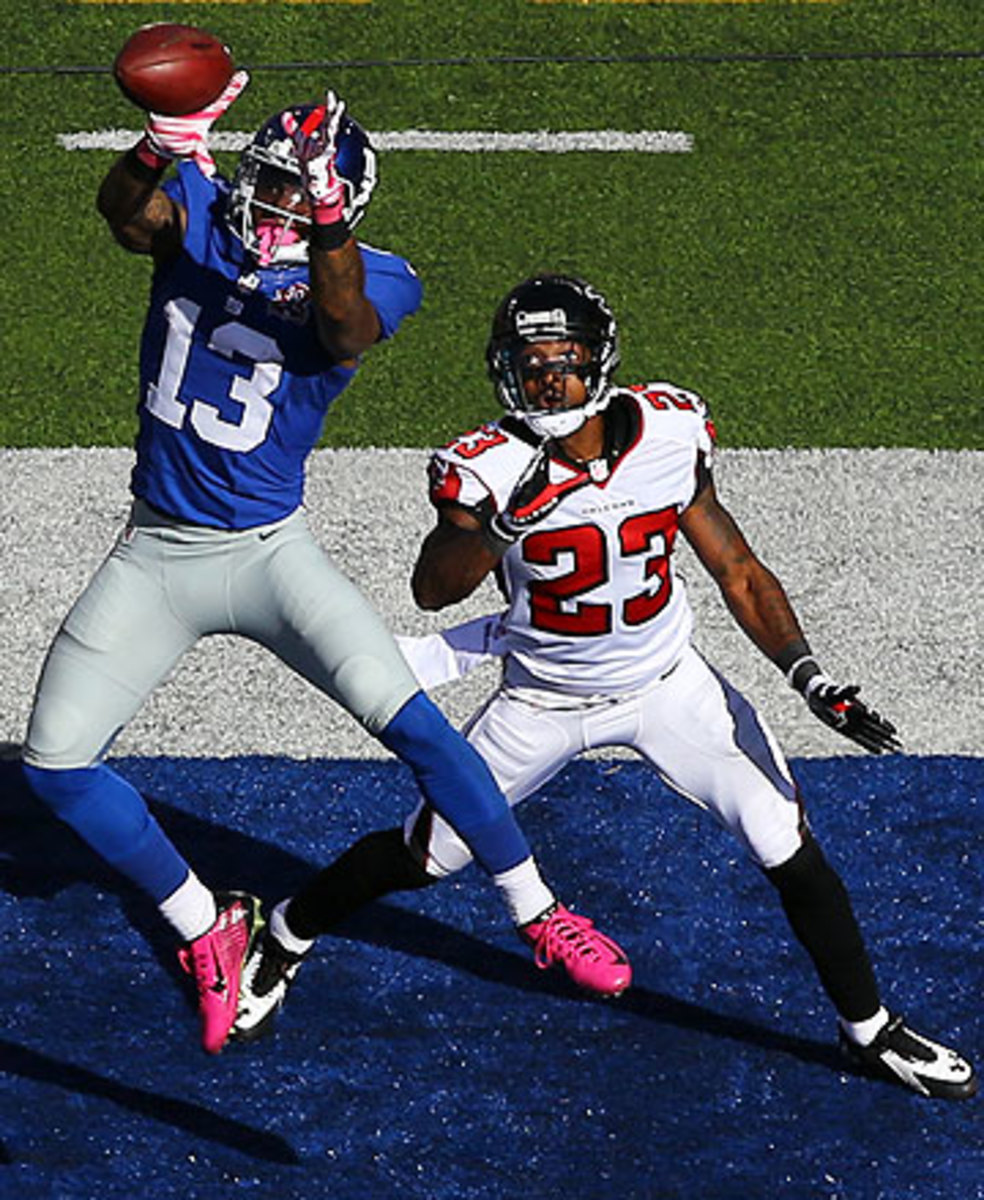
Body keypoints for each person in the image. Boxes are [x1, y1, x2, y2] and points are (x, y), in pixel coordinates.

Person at [234, 273, 977, 1102]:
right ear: (503, 370)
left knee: (787, 843)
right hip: (539, 699)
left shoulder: (670, 431)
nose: (550, 379)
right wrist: (507, 521)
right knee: (428, 855)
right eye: (531, 363)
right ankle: (285, 930)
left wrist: (808, 676)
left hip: (667, 683)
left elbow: (734, 566)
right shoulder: (486, 465)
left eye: (567, 361)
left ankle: (869, 1031)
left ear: (602, 363)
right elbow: (433, 589)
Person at [18, 82, 628, 1056]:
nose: (267, 204)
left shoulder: (379, 275)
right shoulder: (204, 224)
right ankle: (205, 928)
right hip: (157, 551)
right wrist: (152, 146)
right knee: (55, 767)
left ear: (339, 206)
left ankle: (538, 911)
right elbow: (125, 215)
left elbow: (342, 329)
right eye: (265, 183)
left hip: (270, 553)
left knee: (418, 728)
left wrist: (326, 222)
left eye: (294, 194)